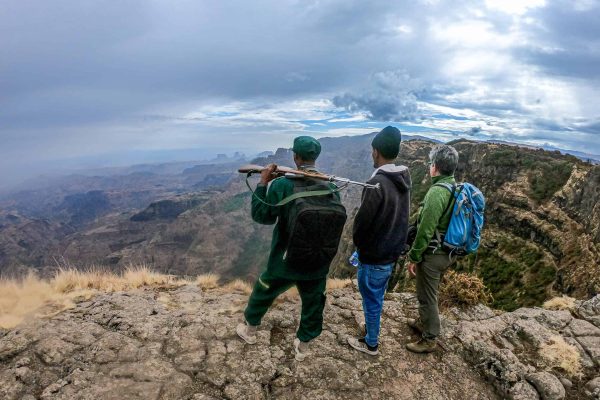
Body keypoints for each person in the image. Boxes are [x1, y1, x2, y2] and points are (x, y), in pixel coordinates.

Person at [236, 136, 343, 362]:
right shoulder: (331, 186)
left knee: (264, 290)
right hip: (317, 261)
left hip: (286, 260)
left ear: (295, 157)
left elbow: (262, 216)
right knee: (314, 302)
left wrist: (264, 183)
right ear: (316, 157)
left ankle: (250, 330)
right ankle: (303, 346)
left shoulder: (283, 185)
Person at [347, 126, 411, 356]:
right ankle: (370, 330)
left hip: (374, 255)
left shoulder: (376, 184)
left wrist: (359, 247)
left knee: (372, 299)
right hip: (390, 253)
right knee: (377, 295)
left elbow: (362, 225)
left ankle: (371, 343)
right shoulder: (402, 178)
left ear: (376, 151)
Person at [405, 144, 459, 353]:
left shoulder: (437, 192)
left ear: (435, 167)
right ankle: (423, 322)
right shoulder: (454, 186)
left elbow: (425, 230)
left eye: (430, 164)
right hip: (447, 251)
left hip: (434, 254)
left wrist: (414, 256)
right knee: (429, 292)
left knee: (427, 296)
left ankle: (429, 338)